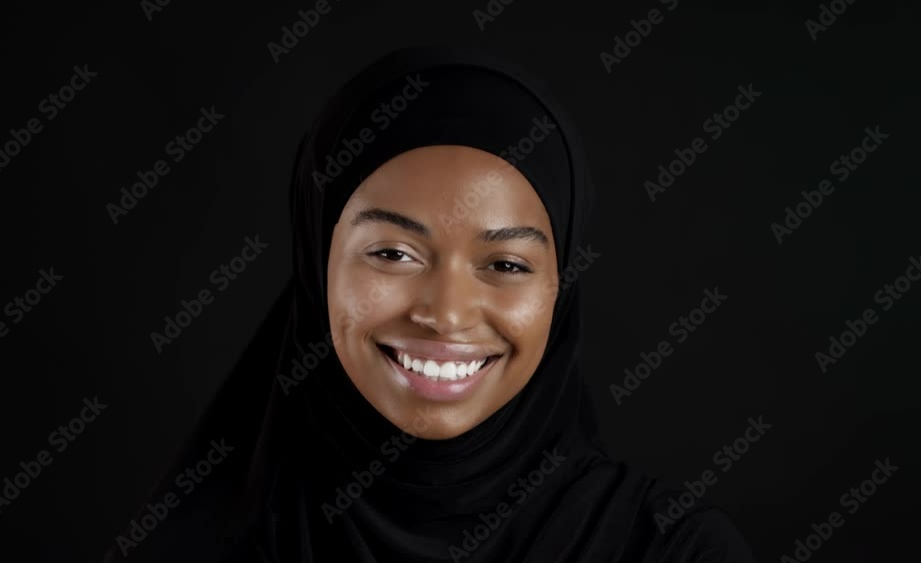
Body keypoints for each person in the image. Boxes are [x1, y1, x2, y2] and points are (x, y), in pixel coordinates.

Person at [103, 45, 756, 563]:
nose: (445, 314)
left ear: (561, 287)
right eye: (393, 253)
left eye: (505, 265)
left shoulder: (670, 549)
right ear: (315, 263)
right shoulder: (208, 545)